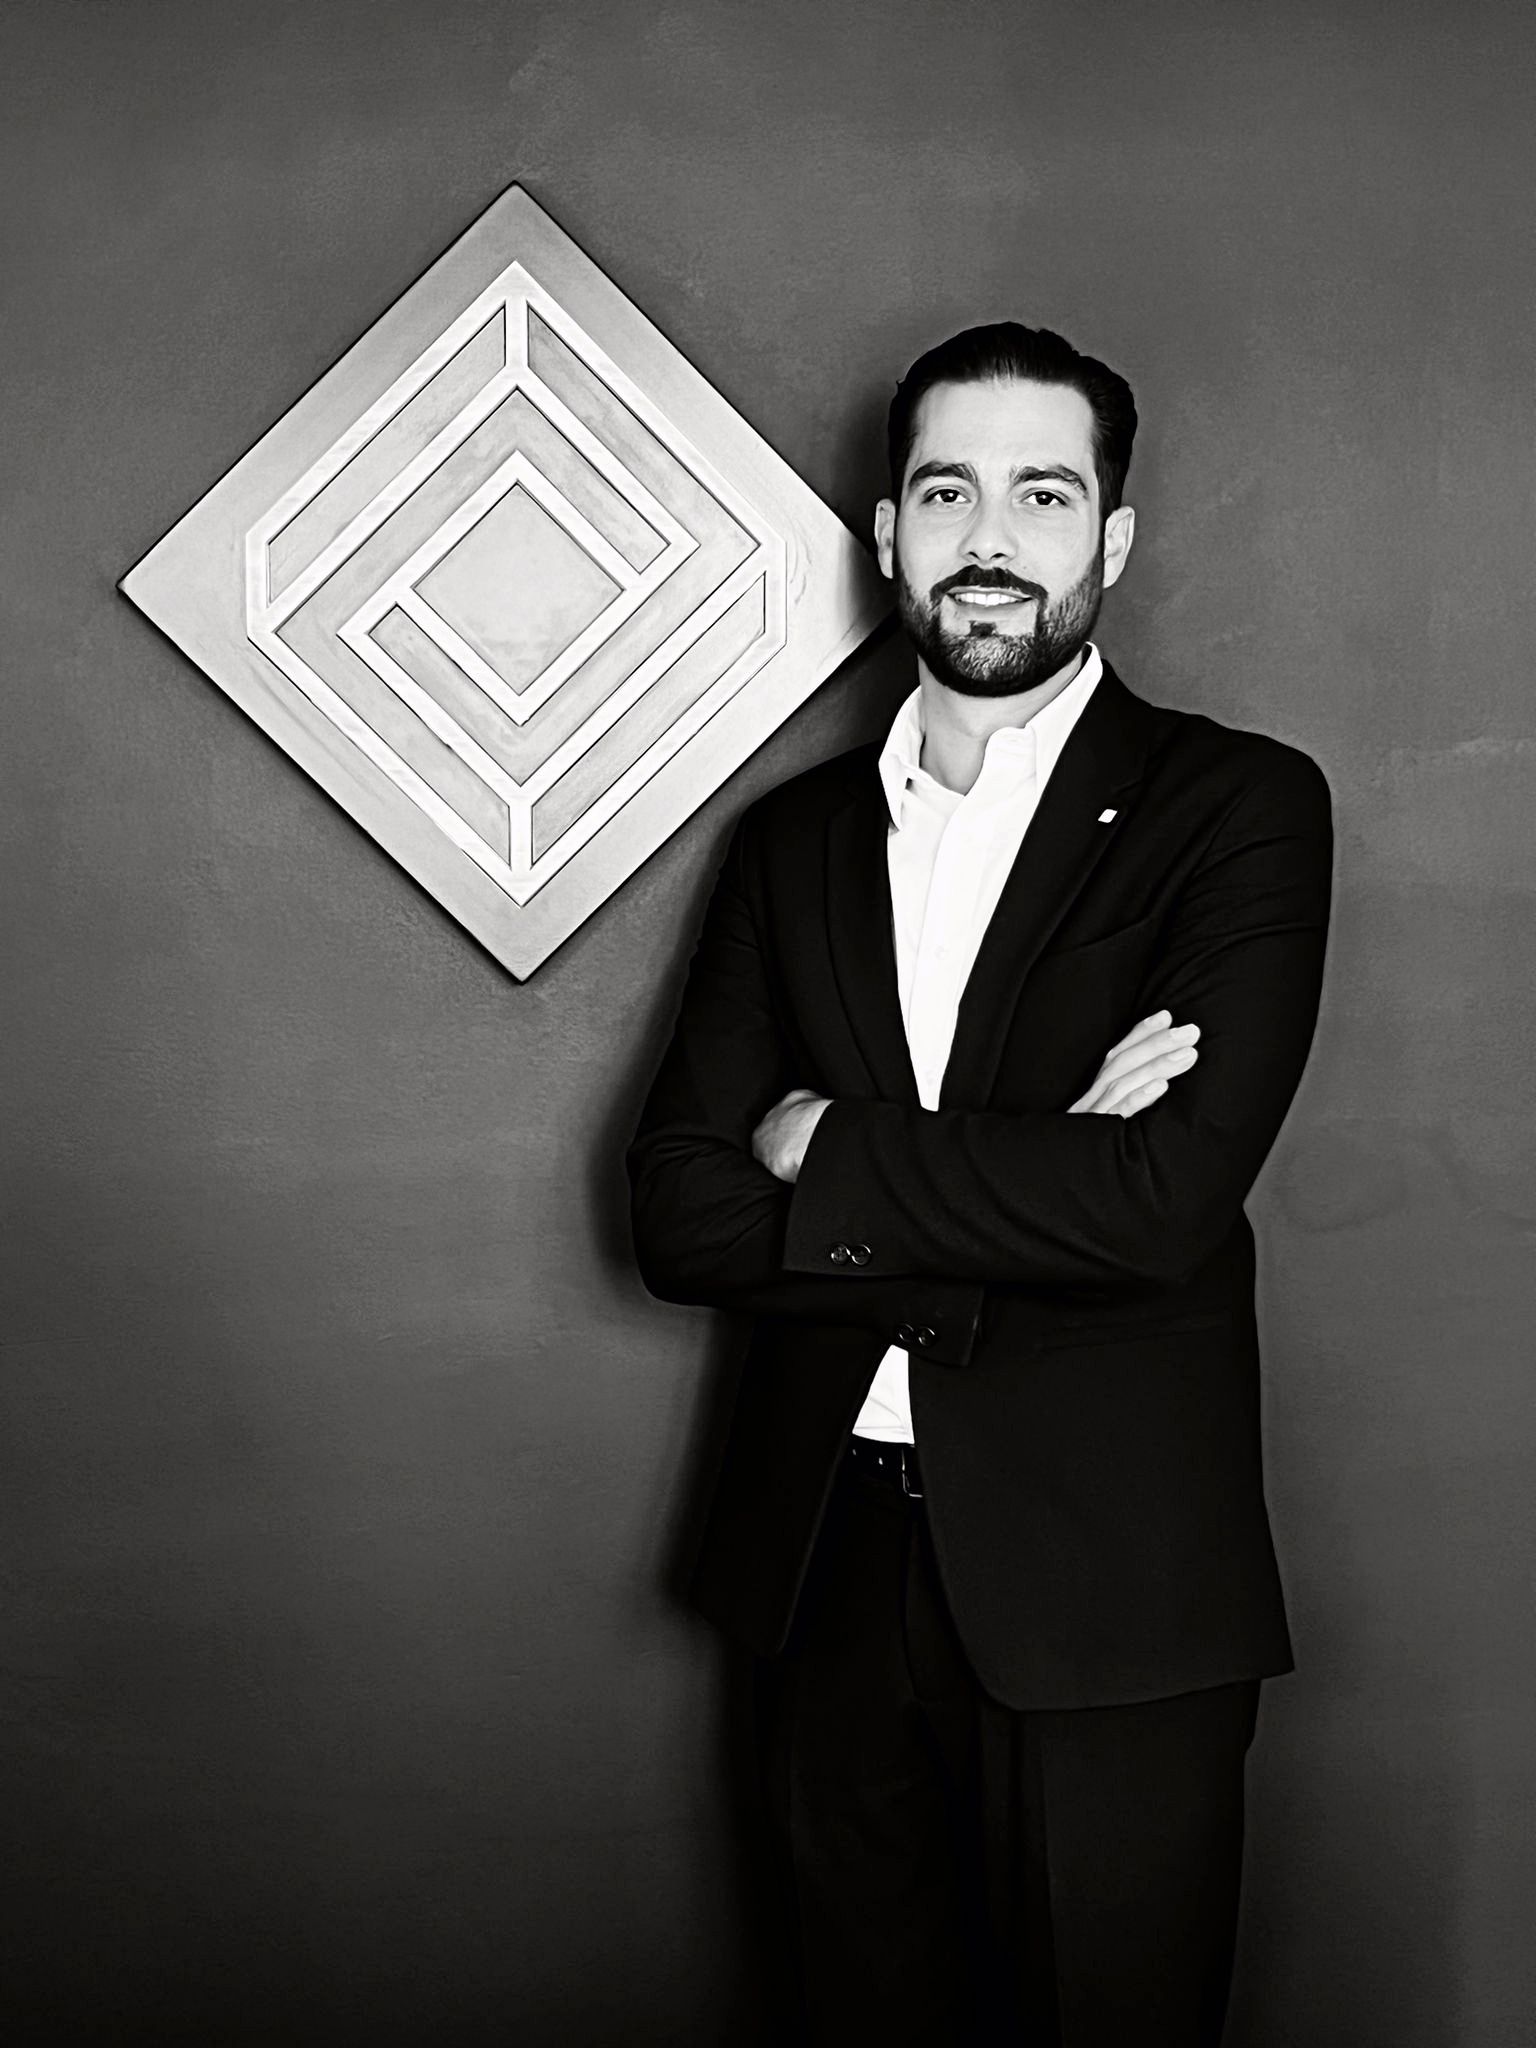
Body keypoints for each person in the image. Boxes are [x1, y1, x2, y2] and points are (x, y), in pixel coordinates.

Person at [626, 323, 1333, 2046]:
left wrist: (825, 1145)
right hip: (823, 1567)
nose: (991, 539)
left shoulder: (1236, 808)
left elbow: (1158, 1203)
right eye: (948, 494)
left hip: (1114, 1588)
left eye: (1044, 494)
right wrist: (1044, 1164)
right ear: (888, 532)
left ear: (1114, 537)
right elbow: (679, 1215)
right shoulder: (790, 843)